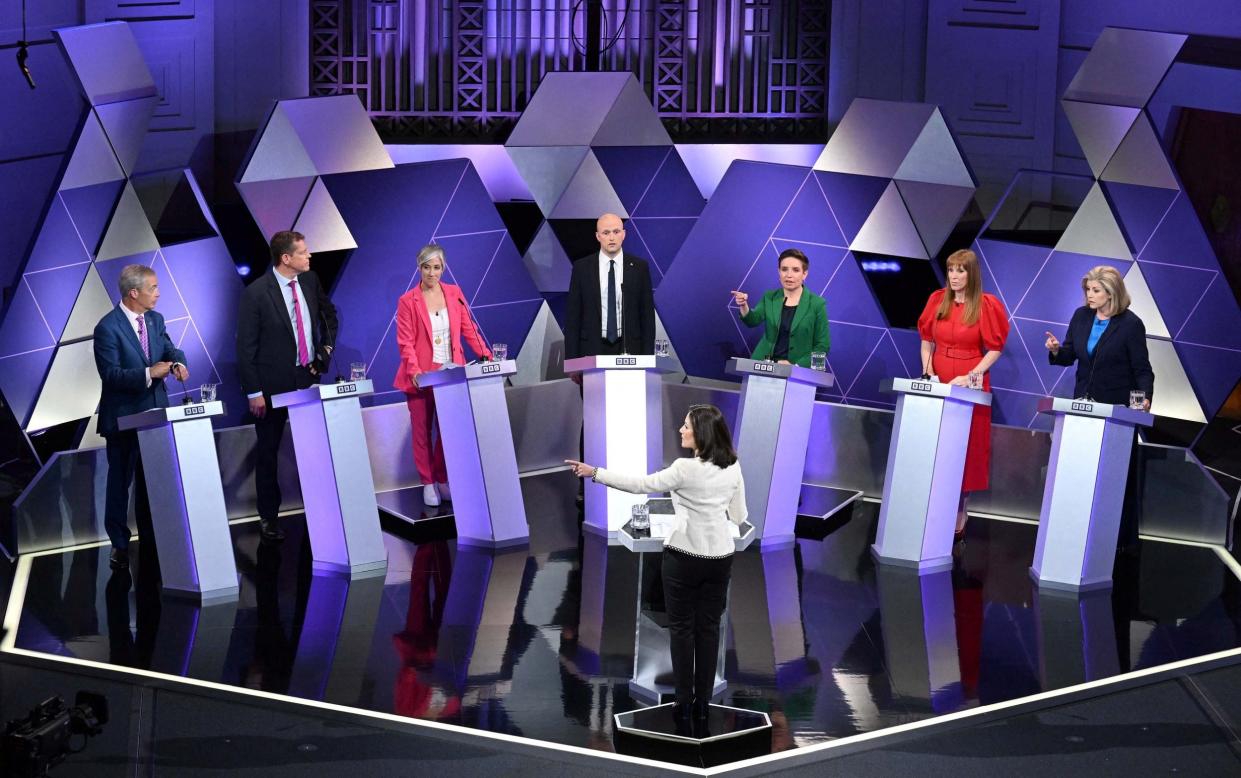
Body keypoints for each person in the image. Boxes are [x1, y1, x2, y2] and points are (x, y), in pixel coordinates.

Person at [566, 404, 746, 731]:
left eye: (686, 426)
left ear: (701, 433)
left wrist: (595, 473)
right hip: (720, 560)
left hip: (683, 558)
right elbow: (739, 516)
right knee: (708, 630)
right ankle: (704, 705)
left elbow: (641, 485)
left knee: (681, 630)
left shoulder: (683, 469)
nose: (681, 430)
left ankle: (683, 699)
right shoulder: (733, 466)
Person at [236, 230, 338, 541]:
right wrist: (254, 392)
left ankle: (322, 510)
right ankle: (269, 517)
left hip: (306, 379)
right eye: (304, 252)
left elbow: (329, 316)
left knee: (314, 449)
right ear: (286, 258)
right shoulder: (256, 293)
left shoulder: (310, 280)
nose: (310, 256)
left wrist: (325, 352)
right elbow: (245, 348)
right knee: (268, 452)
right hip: (271, 388)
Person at [93, 264, 188, 569]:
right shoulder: (107, 327)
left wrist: (177, 364)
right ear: (134, 293)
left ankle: (154, 538)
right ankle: (119, 545)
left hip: (156, 415)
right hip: (123, 419)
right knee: (121, 484)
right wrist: (149, 372)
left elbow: (171, 350)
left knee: (154, 483)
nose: (158, 294)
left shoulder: (156, 320)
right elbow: (111, 375)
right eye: (153, 288)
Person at [917, 248, 1009, 538]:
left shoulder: (985, 305)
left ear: (972, 274)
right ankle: (932, 501)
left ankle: (960, 507)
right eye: (951, 270)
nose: (954, 277)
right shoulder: (936, 300)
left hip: (970, 379)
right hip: (940, 377)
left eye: (961, 271)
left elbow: (994, 348)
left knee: (967, 446)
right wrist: (928, 372)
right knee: (937, 442)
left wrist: (972, 375)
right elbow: (926, 341)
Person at [393, 244, 492, 507]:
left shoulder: (454, 293)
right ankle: (428, 483)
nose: (432, 273)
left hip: (452, 374)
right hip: (421, 377)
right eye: (427, 267)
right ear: (419, 268)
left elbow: (468, 329)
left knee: (449, 432)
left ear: (443, 268)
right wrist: (414, 371)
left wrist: (486, 356)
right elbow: (406, 342)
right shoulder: (407, 301)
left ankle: (442, 477)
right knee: (422, 433)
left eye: (436, 268)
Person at [1043, 265, 1154, 408]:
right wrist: (1056, 350)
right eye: (1088, 289)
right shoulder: (1081, 316)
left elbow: (1141, 369)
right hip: (1082, 402)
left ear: (1111, 293)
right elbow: (1069, 355)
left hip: (1115, 406)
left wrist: (1144, 399)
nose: (1089, 294)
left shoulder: (1131, 324)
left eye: (1096, 290)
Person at [564, 213, 656, 360]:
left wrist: (648, 358)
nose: (611, 237)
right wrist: (572, 361)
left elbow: (647, 317)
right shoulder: (582, 268)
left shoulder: (639, 267)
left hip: (630, 347)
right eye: (606, 233)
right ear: (597, 236)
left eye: (616, 231)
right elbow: (573, 317)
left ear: (624, 234)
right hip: (591, 349)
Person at [730, 247, 829, 366]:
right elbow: (751, 321)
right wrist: (743, 305)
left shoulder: (817, 304)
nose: (789, 275)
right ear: (779, 272)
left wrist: (797, 367)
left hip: (798, 374)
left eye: (796, 270)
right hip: (763, 366)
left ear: (804, 274)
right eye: (784, 269)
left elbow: (823, 346)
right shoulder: (769, 297)